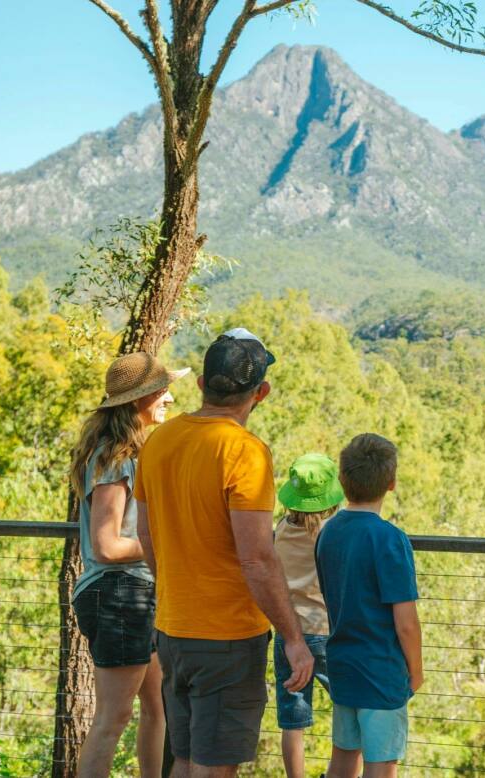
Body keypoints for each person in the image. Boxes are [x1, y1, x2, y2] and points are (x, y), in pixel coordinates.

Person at [134, 328, 314, 778]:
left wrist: (173, 593)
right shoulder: (245, 452)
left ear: (201, 385)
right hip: (228, 636)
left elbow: (147, 535)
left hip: (173, 629)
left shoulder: (158, 442)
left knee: (187, 757)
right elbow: (256, 558)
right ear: (262, 393)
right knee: (216, 767)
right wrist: (294, 638)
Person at [69, 352, 188, 778]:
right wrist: (164, 542)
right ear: (141, 399)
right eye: (162, 391)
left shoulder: (134, 452)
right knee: (111, 721)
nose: (170, 398)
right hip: (119, 594)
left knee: (157, 706)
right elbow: (106, 546)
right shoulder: (117, 458)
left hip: (136, 594)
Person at [316, 434, 423, 778]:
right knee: (381, 763)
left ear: (343, 481)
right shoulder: (390, 539)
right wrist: (416, 672)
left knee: (344, 757)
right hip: (381, 669)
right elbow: (406, 622)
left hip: (342, 664)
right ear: (390, 484)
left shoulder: (328, 532)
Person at [272, 452, 343, 778]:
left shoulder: (281, 529)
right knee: (348, 710)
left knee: (293, 720)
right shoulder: (335, 532)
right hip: (328, 632)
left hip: (290, 635)